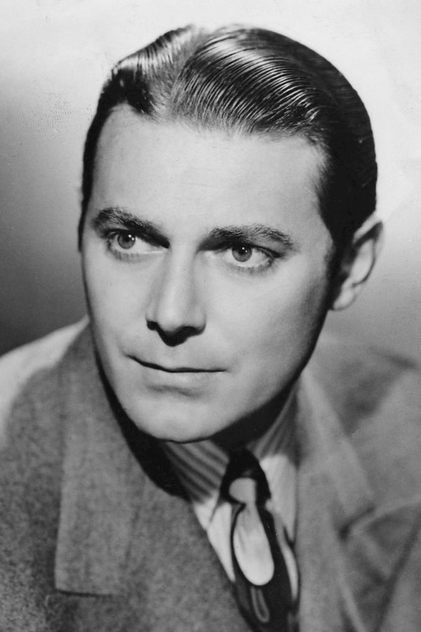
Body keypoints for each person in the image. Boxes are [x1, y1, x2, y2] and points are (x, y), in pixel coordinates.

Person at [0, 24, 420, 632]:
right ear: (82, 227)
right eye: (130, 239)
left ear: (350, 267)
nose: (171, 314)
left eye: (242, 253)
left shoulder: (406, 421)